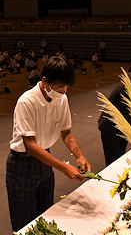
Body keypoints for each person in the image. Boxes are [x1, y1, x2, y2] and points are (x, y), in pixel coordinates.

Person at [6, 56, 91, 232]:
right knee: (25, 221)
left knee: (46, 214)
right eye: (60, 87)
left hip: (44, 159)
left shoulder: (62, 99)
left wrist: (80, 156)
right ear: (44, 81)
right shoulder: (27, 101)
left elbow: (66, 133)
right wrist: (64, 167)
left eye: (67, 87)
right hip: (22, 163)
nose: (64, 92)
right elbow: (29, 144)